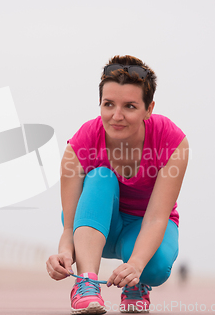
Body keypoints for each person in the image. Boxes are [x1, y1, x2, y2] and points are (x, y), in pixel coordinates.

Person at [46, 55, 189, 314]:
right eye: (108, 104)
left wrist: (136, 265)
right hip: (97, 225)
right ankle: (86, 284)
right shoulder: (82, 143)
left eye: (130, 106)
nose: (116, 116)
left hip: (144, 225)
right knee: (101, 177)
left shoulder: (171, 140)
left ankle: (136, 284)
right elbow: (69, 224)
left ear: (149, 108)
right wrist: (64, 253)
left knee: (154, 269)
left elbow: (157, 218)